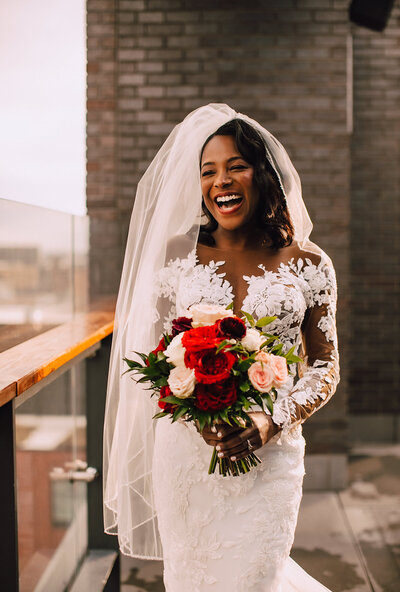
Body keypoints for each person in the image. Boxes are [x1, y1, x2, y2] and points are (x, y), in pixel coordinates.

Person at [103, 104, 339, 592]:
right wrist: (200, 413)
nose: (221, 181)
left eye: (236, 166)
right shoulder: (173, 254)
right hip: (189, 461)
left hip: (270, 456)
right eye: (208, 171)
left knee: (257, 578)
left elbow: (324, 367)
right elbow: (151, 360)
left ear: (264, 174)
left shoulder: (310, 263)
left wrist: (273, 419)